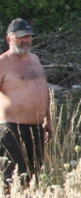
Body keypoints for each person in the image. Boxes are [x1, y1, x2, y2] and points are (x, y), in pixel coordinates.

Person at [0, 19, 52, 187]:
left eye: (28, 36)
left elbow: (43, 90)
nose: (25, 40)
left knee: (34, 176)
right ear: (9, 39)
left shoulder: (35, 59)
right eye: (21, 37)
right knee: (13, 178)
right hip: (11, 129)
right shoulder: (3, 63)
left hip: (36, 128)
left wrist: (48, 120)